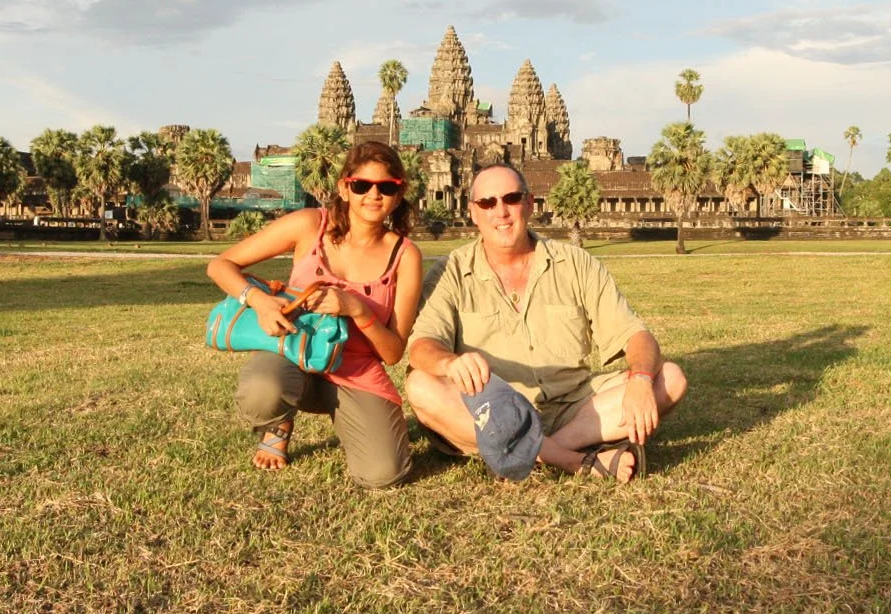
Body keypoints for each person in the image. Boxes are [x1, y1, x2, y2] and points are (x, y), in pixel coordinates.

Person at [405, 164, 687, 483]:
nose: (501, 211)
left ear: (530, 204)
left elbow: (636, 335)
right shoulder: (452, 271)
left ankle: (525, 452)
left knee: (670, 378)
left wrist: (639, 380)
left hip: (573, 405)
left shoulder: (575, 263)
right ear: (473, 212)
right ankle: (569, 459)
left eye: (512, 198)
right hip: (494, 408)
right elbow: (421, 347)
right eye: (487, 203)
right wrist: (450, 362)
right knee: (420, 385)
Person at [206, 141, 424, 489]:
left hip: (355, 371)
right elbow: (221, 265)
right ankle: (276, 425)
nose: (373, 194)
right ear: (344, 188)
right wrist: (259, 301)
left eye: (386, 187)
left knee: (385, 474)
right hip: (295, 354)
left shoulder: (405, 256)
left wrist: (357, 308)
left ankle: (351, 416)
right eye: (361, 185)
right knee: (262, 390)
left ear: (398, 195)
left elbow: (393, 353)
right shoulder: (310, 225)